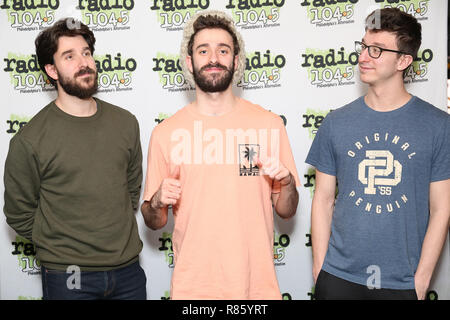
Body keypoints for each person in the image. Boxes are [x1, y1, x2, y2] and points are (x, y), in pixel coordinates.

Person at [141, 10, 300, 300]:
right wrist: (156, 200)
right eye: (203, 50)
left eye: (223, 50)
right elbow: (154, 220)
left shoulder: (269, 124)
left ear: (236, 61)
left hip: (256, 290)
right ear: (190, 62)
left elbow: (286, 211)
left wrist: (288, 182)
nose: (213, 58)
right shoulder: (165, 132)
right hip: (193, 291)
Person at [306, 8, 450, 300]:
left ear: (404, 60)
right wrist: (320, 270)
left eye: (376, 50)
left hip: (402, 284)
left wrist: (420, 282)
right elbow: (322, 200)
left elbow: (441, 209)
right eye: (362, 47)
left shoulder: (438, 126)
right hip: (338, 278)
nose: (362, 57)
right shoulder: (336, 122)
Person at [3, 18, 146, 300]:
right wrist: (61, 244)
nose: (83, 62)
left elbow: (131, 191)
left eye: (86, 53)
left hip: (128, 272)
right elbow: (19, 214)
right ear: (51, 70)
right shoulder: (30, 140)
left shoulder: (126, 123)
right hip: (67, 275)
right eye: (69, 56)